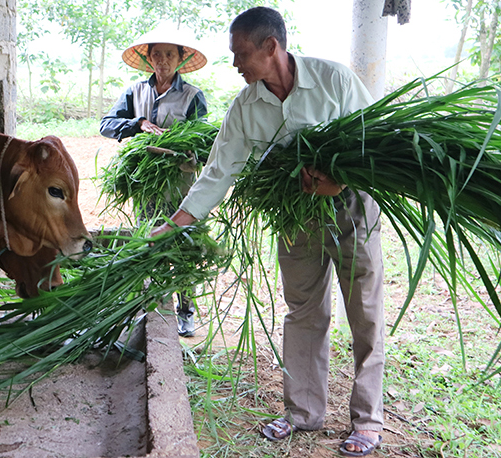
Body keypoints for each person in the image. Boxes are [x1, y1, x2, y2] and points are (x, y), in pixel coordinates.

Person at [151, 7, 385, 457]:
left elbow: (374, 140)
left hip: (352, 208)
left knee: (365, 313)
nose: (236, 64)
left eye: (241, 54)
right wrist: (173, 225)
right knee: (302, 311)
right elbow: (218, 172)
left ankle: (368, 421)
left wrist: (342, 181)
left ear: (270, 47)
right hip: (294, 217)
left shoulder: (333, 81)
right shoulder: (246, 106)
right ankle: (302, 413)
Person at [100, 27, 209, 337]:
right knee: (149, 239)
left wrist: (179, 147)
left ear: (180, 58)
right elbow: (107, 125)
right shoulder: (134, 92)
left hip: (180, 183)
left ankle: (185, 310)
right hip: (145, 184)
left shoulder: (192, 96)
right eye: (157, 54)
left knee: (182, 242)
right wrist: (139, 124)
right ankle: (154, 305)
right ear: (149, 58)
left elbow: (201, 141)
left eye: (169, 55)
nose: (163, 60)